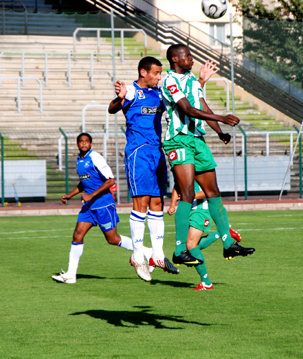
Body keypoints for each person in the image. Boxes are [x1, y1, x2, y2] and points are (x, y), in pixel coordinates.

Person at [161, 44, 255, 265]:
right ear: (175, 59)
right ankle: (179, 250)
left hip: (197, 141)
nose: (192, 59)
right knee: (187, 194)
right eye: (188, 56)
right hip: (178, 140)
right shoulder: (169, 81)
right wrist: (223, 118)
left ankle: (227, 243)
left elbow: (203, 106)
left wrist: (219, 131)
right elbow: (187, 109)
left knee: (213, 192)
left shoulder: (193, 81)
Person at [109, 56, 178, 282]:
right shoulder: (131, 91)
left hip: (157, 152)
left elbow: (182, 102)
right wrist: (119, 99)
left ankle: (157, 254)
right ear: (143, 72)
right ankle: (138, 256)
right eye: (156, 73)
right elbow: (112, 108)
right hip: (138, 153)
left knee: (158, 202)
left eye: (160, 73)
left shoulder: (159, 93)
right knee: (141, 202)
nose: (159, 77)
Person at [52, 133, 151, 284]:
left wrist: (91, 195)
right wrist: (70, 195)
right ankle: (71, 275)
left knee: (112, 239)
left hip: (104, 205)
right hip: (89, 208)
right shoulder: (79, 160)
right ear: (77, 145)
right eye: (81, 142)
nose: (84, 144)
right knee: (77, 235)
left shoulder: (96, 157)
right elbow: (83, 183)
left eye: (86, 141)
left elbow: (110, 181)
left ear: (91, 144)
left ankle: (146, 252)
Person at [168, 181, 243, 290]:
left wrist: (190, 196)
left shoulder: (198, 169)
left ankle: (206, 282)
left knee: (191, 245)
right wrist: (172, 205)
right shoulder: (181, 168)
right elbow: (177, 186)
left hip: (201, 210)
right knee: (191, 248)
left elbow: (209, 192)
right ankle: (222, 233)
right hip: (187, 209)